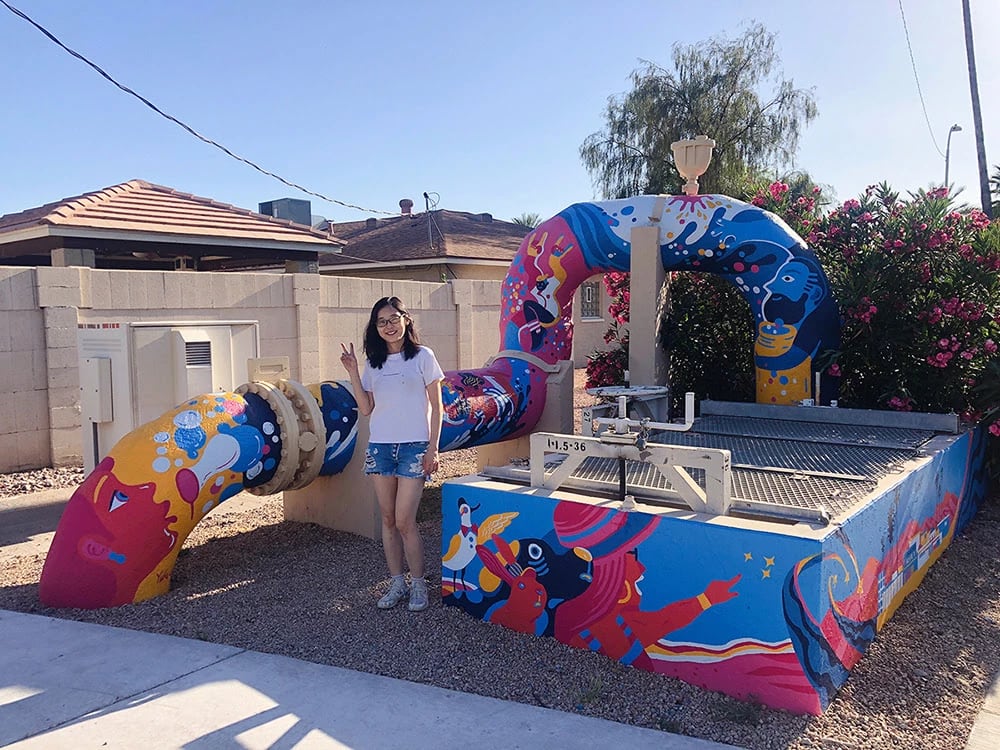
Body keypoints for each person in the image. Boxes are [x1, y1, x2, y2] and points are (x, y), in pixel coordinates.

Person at [340, 296, 444, 612]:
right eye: (382, 321)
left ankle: (419, 585)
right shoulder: (374, 362)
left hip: (414, 447)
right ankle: (396, 582)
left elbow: (437, 407)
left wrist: (433, 448)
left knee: (404, 520)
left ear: (406, 319)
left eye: (393, 318)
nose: (389, 326)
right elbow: (367, 408)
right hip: (381, 447)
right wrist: (354, 372)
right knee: (387, 519)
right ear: (376, 327)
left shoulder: (424, 357)